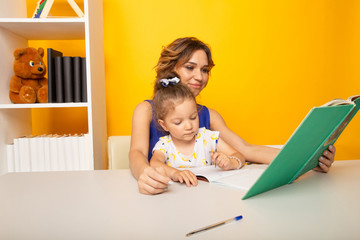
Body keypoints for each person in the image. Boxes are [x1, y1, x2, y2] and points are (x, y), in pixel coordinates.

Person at [129, 37, 336, 195]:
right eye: (190, 67)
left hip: (200, 196)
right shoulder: (146, 110)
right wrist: (144, 175)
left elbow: (245, 150)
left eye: (204, 69)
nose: (199, 77)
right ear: (171, 69)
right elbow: (136, 153)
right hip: (163, 195)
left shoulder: (209, 115)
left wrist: (308, 159)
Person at [149, 74, 246, 187]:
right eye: (178, 122)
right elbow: (154, 163)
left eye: (193, 117)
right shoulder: (165, 145)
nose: (189, 126)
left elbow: (239, 155)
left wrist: (230, 162)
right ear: (164, 125)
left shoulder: (207, 137)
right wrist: (175, 173)